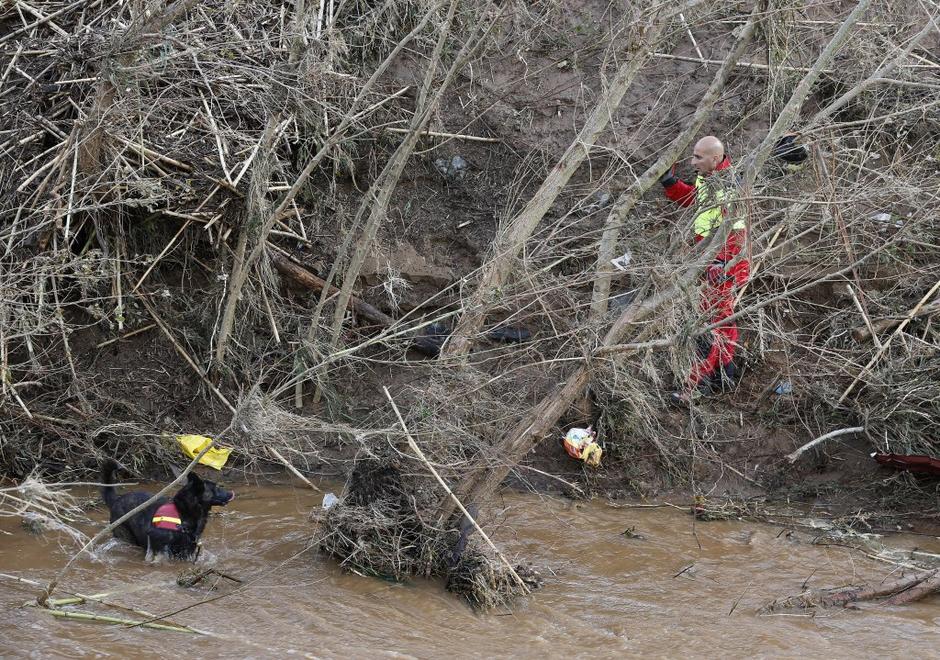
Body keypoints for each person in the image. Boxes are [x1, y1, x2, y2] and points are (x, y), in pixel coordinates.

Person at [658, 136, 749, 405]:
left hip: (724, 267)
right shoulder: (708, 178)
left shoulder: (730, 189)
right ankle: (726, 375)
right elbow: (696, 202)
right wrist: (671, 184)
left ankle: (697, 385)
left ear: (715, 159)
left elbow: (736, 235)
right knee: (719, 322)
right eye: (693, 155)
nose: (692, 161)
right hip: (712, 263)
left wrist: (722, 263)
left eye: (698, 157)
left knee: (715, 327)